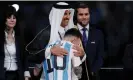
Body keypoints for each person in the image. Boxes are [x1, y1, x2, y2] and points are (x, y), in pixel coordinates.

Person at [25, 2, 85, 80]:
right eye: (65, 14)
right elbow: (29, 54)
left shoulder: (73, 33)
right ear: (58, 15)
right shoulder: (46, 33)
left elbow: (79, 60)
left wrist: (82, 54)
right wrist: (50, 51)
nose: (68, 17)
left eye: (69, 13)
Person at [74, 2, 104, 80]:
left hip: (93, 76)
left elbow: (100, 57)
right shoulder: (70, 33)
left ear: (90, 15)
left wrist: (91, 72)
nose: (84, 17)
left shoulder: (98, 33)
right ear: (76, 15)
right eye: (81, 14)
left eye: (86, 14)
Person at [0, 5, 30, 80]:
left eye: (14, 18)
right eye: (9, 17)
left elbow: (24, 58)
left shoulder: (20, 38)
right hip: (2, 75)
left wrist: (26, 76)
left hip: (17, 75)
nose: (12, 20)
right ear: (4, 19)